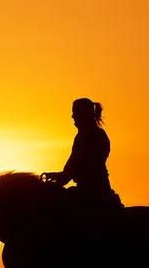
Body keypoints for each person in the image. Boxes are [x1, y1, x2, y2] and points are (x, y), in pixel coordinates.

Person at [41, 98, 124, 233]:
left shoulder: (97, 136)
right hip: (83, 189)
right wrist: (59, 176)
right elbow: (72, 165)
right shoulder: (80, 137)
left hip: (95, 191)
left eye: (75, 112)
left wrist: (63, 177)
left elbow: (84, 165)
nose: (72, 116)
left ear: (83, 114)